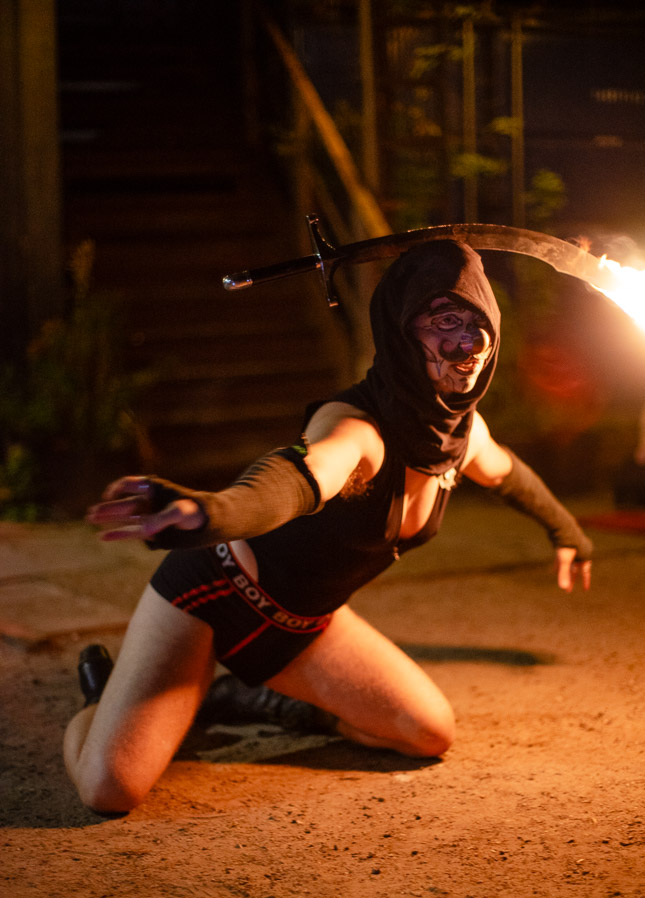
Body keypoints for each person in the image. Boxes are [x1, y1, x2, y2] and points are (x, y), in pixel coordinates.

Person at [64, 241, 592, 814]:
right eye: (445, 322)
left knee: (427, 733)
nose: (468, 345)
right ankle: (100, 699)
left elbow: (511, 475)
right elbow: (294, 479)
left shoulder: (463, 436)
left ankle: (261, 698)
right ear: (400, 330)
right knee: (109, 789)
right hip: (212, 596)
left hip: (303, 625)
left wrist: (568, 533)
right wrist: (211, 513)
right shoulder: (356, 429)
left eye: (478, 324)